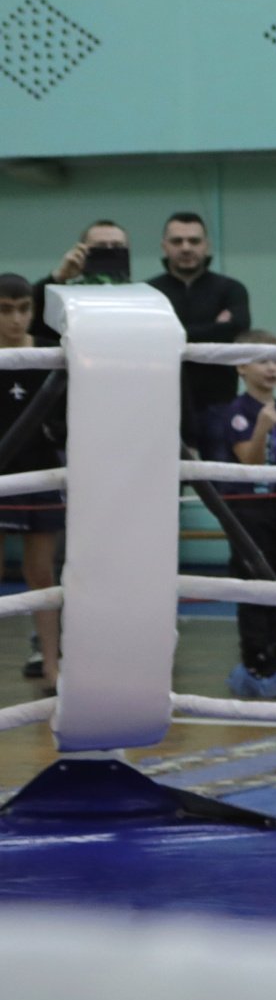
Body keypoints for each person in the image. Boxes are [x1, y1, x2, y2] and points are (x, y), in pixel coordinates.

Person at [205, 330, 276, 699]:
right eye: (263, 360)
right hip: (251, 511)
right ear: (242, 366)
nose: (272, 368)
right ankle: (256, 663)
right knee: (255, 585)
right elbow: (249, 462)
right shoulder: (236, 414)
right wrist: (261, 429)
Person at [0, 273, 63, 689]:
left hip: (41, 471)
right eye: (5, 310)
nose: (16, 319)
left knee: (41, 573)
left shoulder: (50, 354)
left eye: (24, 309)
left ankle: (52, 667)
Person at [147, 211, 252, 449]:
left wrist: (169, 334)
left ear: (206, 245)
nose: (186, 248)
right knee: (163, 474)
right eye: (177, 241)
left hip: (219, 404)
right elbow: (145, 339)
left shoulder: (231, 289)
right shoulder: (149, 292)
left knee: (222, 472)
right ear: (164, 246)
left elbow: (236, 330)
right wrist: (214, 327)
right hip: (162, 405)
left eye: (194, 241)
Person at [30, 219, 129, 341]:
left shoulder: (142, 298)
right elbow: (29, 315)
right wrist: (60, 276)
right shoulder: (69, 302)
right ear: (82, 251)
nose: (109, 251)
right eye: (100, 247)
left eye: (117, 246)